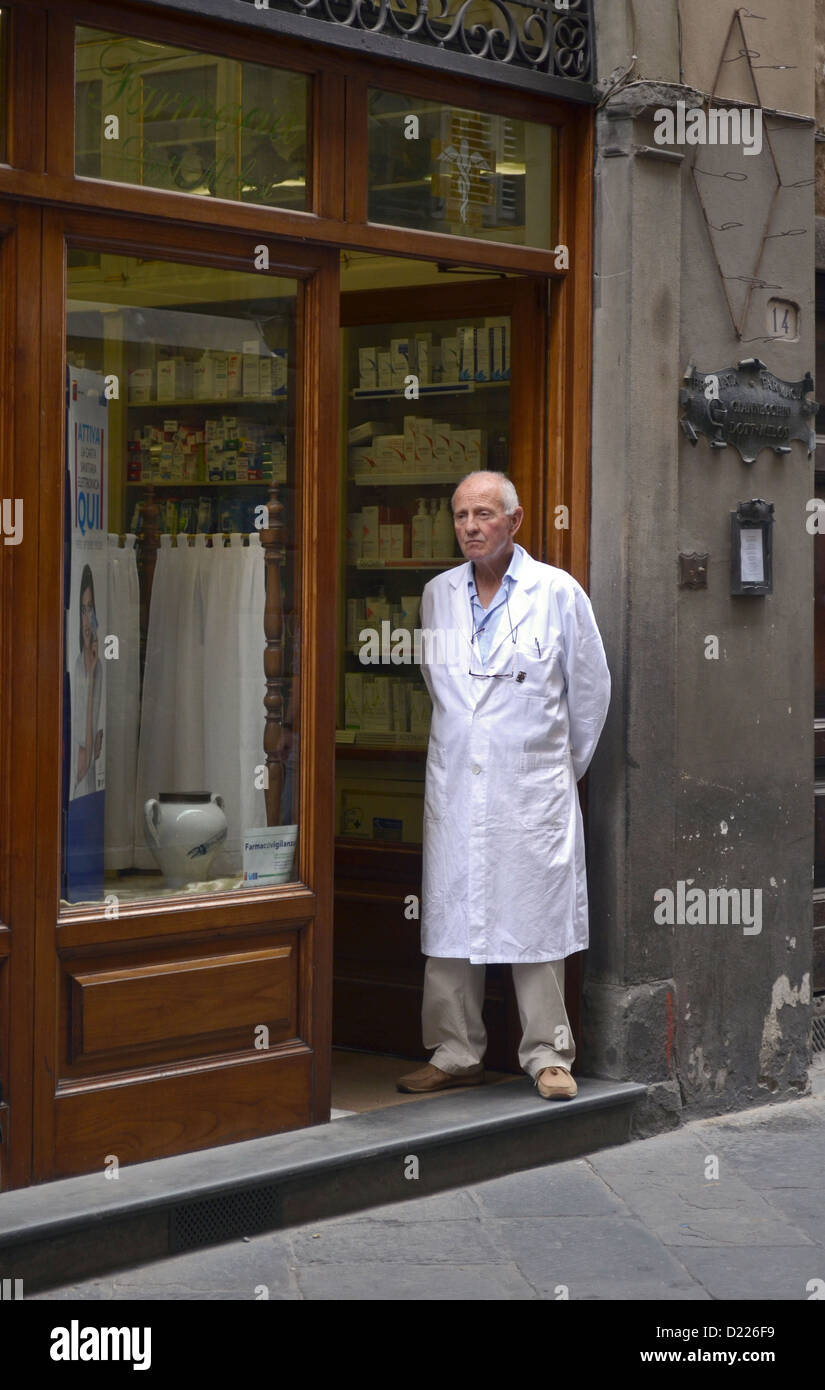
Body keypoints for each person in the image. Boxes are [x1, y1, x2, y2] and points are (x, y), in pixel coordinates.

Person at [397, 471, 610, 1100]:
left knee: (533, 919)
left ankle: (548, 1055)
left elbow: (590, 694)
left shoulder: (557, 593)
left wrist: (549, 771)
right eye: (461, 515)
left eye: (483, 515)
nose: (469, 527)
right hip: (459, 785)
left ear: (514, 523)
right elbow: (442, 687)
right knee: (451, 920)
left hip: (530, 788)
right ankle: (454, 1052)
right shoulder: (437, 595)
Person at [71, 563, 104, 800]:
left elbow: (93, 753)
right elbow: (83, 762)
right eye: (83, 609)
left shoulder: (97, 667)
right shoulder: (77, 666)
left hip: (90, 789)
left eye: (90, 608)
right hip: (78, 785)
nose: (86, 617)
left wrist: (92, 675)